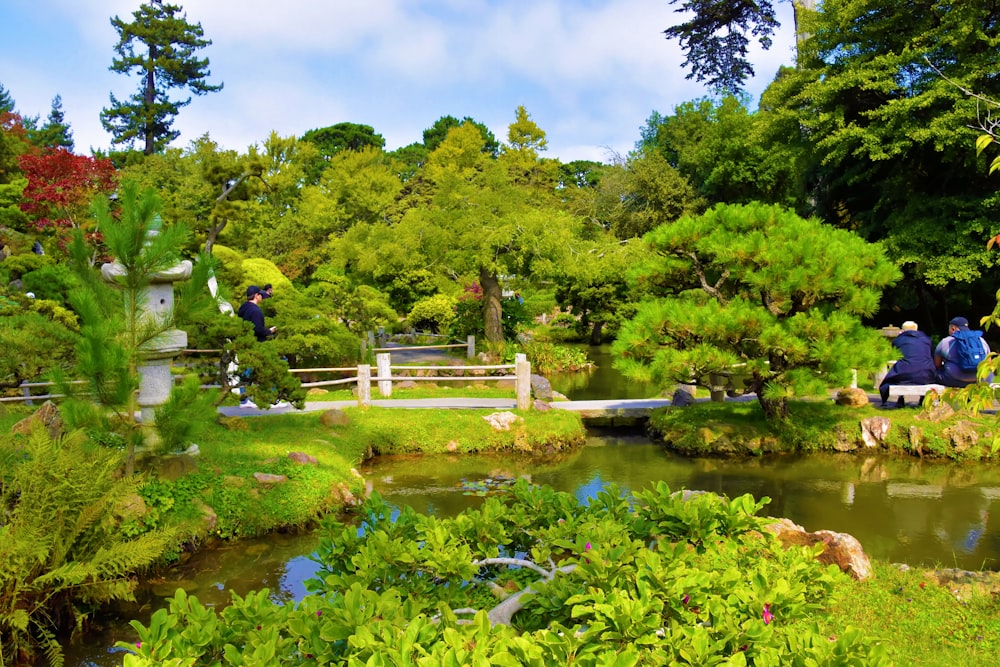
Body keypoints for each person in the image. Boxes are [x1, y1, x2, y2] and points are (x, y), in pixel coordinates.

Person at [235, 285, 277, 408]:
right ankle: (271, 399)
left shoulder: (242, 309)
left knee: (245, 372)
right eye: (260, 295)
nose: (262, 297)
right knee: (270, 370)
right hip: (257, 345)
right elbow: (258, 329)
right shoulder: (255, 311)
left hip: (245, 344)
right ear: (256, 296)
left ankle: (244, 399)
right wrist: (269, 331)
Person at [878, 321, 936, 406]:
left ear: (903, 330)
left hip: (903, 375)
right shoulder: (927, 339)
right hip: (925, 375)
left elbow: (895, 356)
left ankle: (900, 398)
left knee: (899, 369)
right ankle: (922, 398)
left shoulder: (898, 340)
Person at [934, 316, 992, 388]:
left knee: (935, 373)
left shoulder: (945, 342)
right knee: (990, 373)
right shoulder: (981, 340)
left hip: (954, 381)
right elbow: (989, 362)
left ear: (953, 328)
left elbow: (937, 365)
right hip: (980, 381)